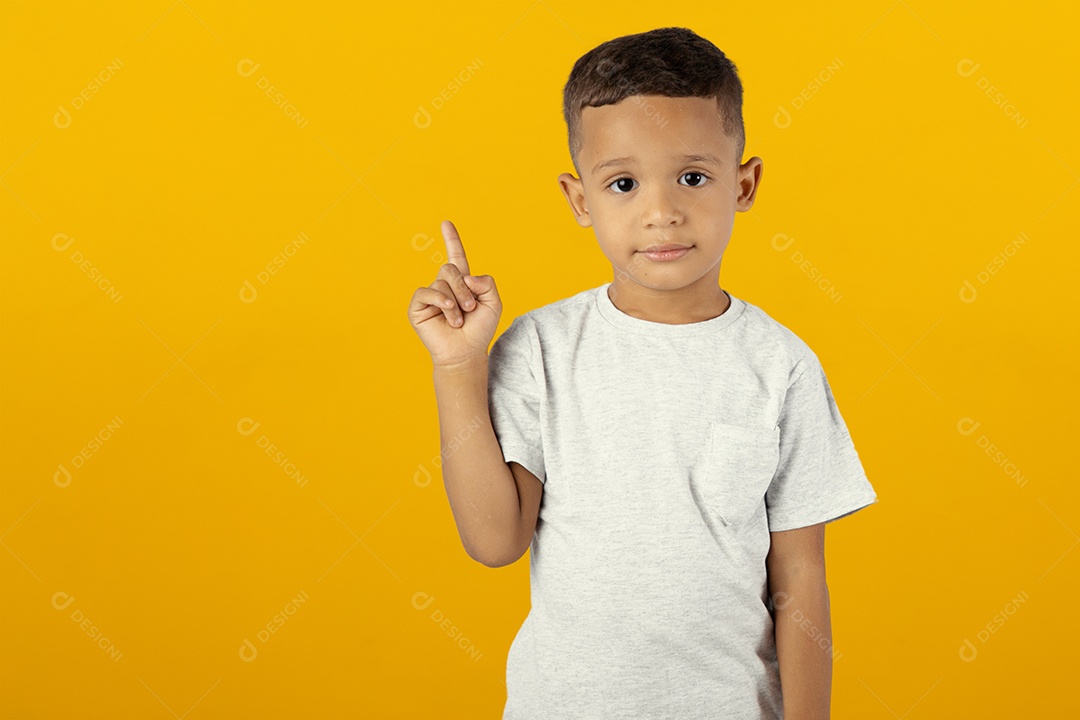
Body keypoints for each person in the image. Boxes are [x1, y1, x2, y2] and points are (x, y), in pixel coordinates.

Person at [407, 25, 878, 720]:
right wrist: (457, 365)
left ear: (743, 184)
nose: (661, 212)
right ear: (579, 200)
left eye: (693, 177)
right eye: (624, 183)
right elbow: (495, 540)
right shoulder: (540, 348)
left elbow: (801, 577)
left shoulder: (781, 366)